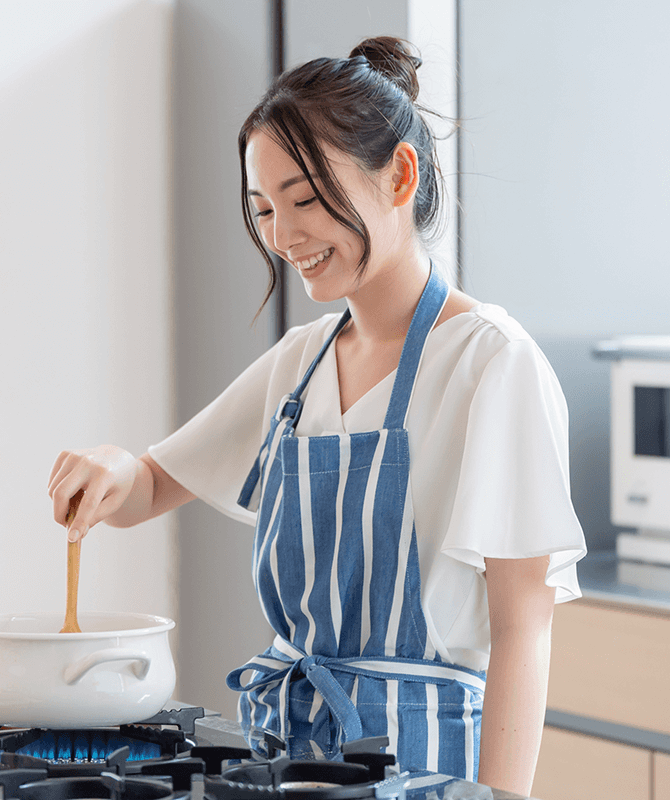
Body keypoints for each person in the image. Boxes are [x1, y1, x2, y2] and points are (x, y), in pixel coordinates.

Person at [46, 35, 586, 797]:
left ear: (399, 174)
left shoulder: (491, 362)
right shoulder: (300, 362)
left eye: (304, 198)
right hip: (283, 763)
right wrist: (111, 464)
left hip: (424, 771)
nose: (282, 236)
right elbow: (148, 490)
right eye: (264, 208)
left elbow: (523, 630)